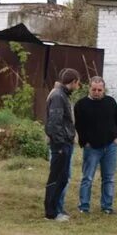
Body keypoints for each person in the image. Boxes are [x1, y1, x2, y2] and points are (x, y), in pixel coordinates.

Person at [74, 76, 117, 214]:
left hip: (111, 146)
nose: (97, 92)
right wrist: (85, 142)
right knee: (87, 178)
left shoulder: (110, 102)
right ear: (89, 88)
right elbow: (79, 126)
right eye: (94, 89)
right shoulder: (81, 104)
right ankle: (84, 207)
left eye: (99, 90)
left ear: (104, 89)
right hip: (92, 148)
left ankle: (107, 207)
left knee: (108, 178)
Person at [44, 68, 80, 221]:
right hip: (61, 144)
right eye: (78, 83)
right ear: (72, 82)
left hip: (65, 142)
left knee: (63, 177)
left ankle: (56, 209)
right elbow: (55, 123)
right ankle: (51, 213)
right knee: (57, 177)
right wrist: (60, 145)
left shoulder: (62, 94)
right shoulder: (58, 96)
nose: (78, 87)